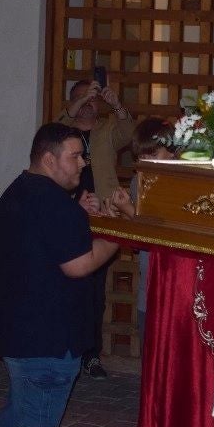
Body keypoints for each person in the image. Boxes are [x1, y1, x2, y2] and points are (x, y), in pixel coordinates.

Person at [0, 123, 120, 427]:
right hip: (46, 340)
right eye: (75, 156)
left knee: (19, 419)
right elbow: (79, 264)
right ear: (48, 159)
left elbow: (43, 243)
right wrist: (116, 234)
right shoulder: (54, 204)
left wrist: (78, 213)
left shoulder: (20, 190)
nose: (82, 163)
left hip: (18, 333)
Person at [58, 78, 134, 380]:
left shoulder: (107, 129)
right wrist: (77, 102)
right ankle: (66, 349)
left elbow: (130, 134)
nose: (89, 103)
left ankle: (90, 354)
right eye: (82, 98)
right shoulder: (62, 132)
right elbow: (52, 130)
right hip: (67, 216)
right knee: (66, 286)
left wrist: (116, 105)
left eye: (92, 98)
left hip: (102, 217)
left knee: (94, 292)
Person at [105, 117, 176, 343]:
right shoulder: (138, 181)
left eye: (152, 154)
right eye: (140, 157)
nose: (144, 162)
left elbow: (165, 236)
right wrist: (120, 213)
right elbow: (138, 239)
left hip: (175, 284)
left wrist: (128, 209)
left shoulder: (182, 184)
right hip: (149, 284)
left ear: (172, 152)